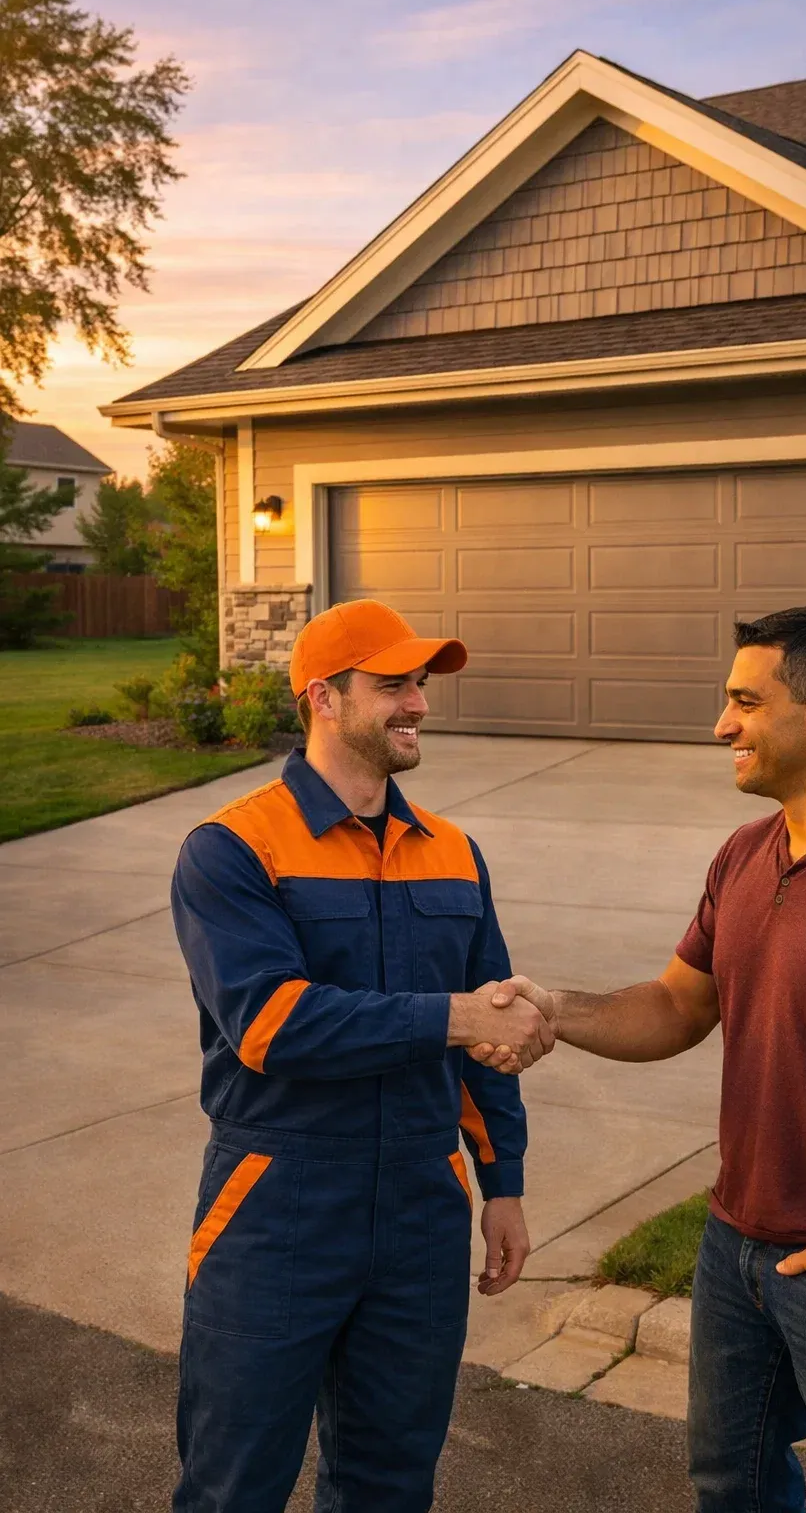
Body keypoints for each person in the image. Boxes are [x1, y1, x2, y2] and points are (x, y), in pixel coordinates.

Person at [477, 606, 806, 1513]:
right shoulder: (746, 855)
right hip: (738, 1250)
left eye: (744, 702)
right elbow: (680, 1005)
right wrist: (555, 1009)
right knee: (730, 1485)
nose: (721, 725)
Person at [170, 598, 554, 1513]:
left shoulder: (454, 852)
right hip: (276, 1201)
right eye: (392, 685)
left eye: (420, 682)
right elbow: (272, 1025)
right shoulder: (232, 850)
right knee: (235, 1482)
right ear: (323, 699)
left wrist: (503, 1184)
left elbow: (487, 1034)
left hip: (421, 1205)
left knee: (390, 1482)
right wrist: (456, 1019)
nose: (418, 702)